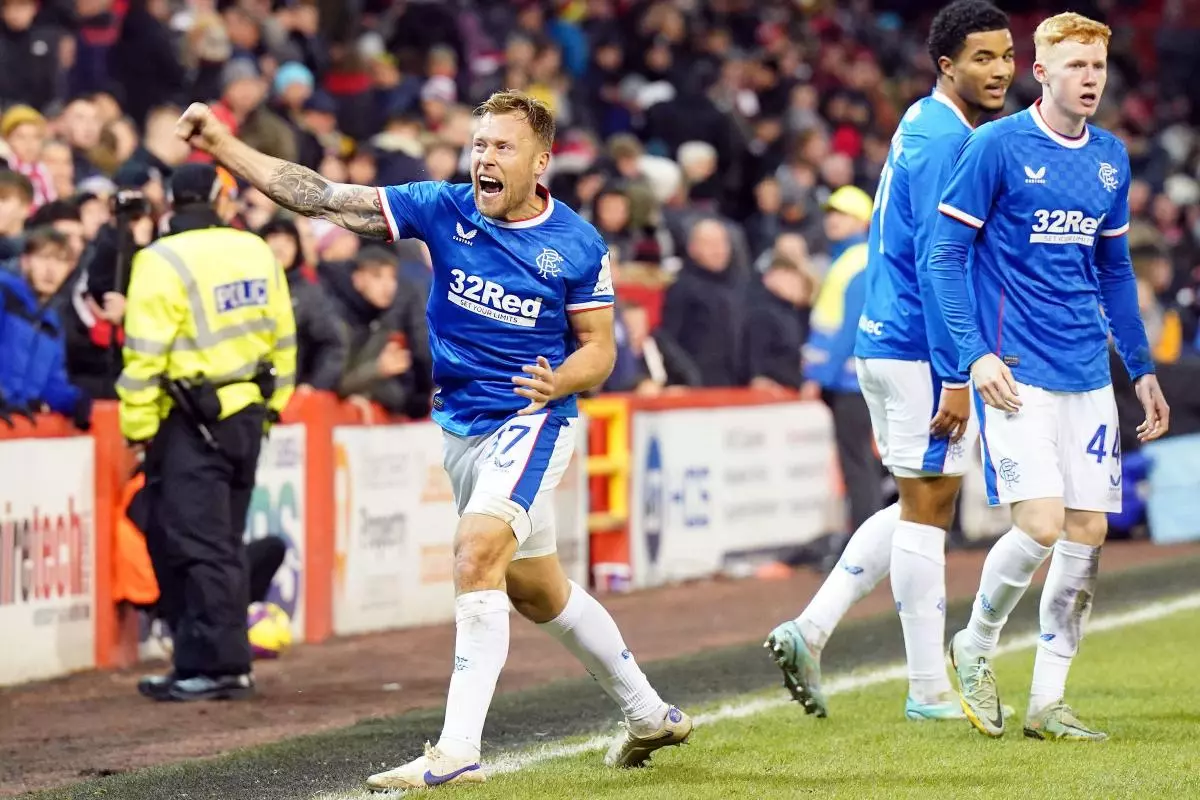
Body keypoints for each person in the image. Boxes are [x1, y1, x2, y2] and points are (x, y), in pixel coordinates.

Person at [174, 89, 691, 789]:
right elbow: (323, 197)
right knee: (537, 590)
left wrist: (560, 379)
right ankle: (649, 713)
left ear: (540, 163)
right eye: (478, 144)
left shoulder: (575, 243)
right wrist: (221, 147)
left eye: (502, 147)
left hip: (532, 418)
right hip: (461, 426)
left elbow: (599, 349)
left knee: (475, 553)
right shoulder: (442, 207)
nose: (484, 157)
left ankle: (456, 751)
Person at [764, 0, 1016, 722]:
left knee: (918, 501)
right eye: (982, 58)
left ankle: (809, 632)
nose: (999, 70)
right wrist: (958, 373)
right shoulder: (948, 141)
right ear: (947, 65)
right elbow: (943, 262)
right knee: (930, 508)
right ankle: (927, 688)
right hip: (917, 346)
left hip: (891, 339)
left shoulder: (923, 118)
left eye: (1005, 55)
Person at [928, 12, 1170, 740]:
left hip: (1087, 373)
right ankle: (973, 642)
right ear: (1042, 72)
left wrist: (1142, 368)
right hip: (1015, 371)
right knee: (1039, 523)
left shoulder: (1110, 158)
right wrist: (975, 356)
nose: (1090, 78)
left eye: (1097, 66)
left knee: (1088, 531)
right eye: (1074, 66)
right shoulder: (995, 146)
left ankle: (1047, 703)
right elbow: (944, 256)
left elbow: (1115, 269)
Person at [118, 163, 297, 702]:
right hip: (247, 417)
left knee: (199, 546)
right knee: (214, 541)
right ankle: (201, 661)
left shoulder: (160, 259)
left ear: (171, 202)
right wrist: (271, 407)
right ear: (220, 198)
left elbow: (144, 356)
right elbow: (283, 337)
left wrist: (139, 427)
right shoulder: (255, 250)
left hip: (189, 421)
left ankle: (220, 666)